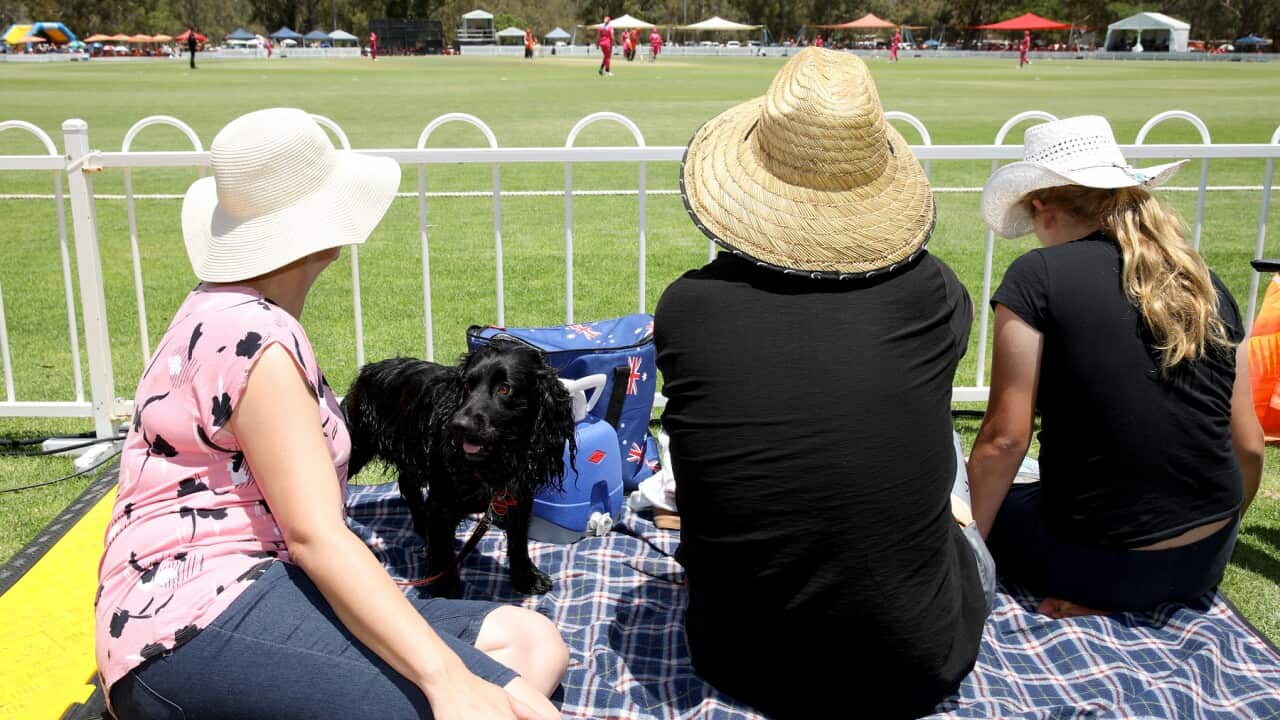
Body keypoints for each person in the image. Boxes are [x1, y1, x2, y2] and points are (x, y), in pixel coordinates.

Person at [94, 108, 567, 720]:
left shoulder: (226, 309)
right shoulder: (258, 341)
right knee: (485, 702)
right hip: (189, 624)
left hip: (249, 592)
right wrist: (447, 679)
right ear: (320, 229)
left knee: (531, 642)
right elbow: (315, 535)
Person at [656, 48, 992, 719]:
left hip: (743, 660)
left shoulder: (687, 307)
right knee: (939, 453)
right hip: (919, 661)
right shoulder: (936, 293)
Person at [968, 115, 1264, 618]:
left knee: (965, 496)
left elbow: (1004, 439)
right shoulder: (1204, 282)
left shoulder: (1036, 276)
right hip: (1205, 559)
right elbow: (1250, 444)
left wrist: (962, 555)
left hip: (1098, 561)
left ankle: (1099, 599)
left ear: (1041, 204)